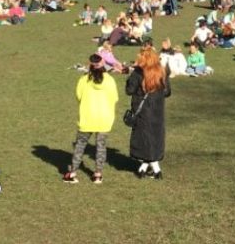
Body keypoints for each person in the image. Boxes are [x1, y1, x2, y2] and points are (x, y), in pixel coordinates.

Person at [63, 54, 119, 184]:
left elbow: (78, 96)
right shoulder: (109, 80)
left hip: (87, 118)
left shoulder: (84, 80)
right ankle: (98, 174)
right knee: (101, 147)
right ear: (103, 64)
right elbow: (115, 98)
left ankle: (72, 173)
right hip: (104, 119)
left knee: (80, 146)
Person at [126, 46, 171, 179]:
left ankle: (149, 170)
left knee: (143, 139)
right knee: (154, 139)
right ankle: (152, 170)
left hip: (142, 112)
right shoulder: (162, 71)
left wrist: (131, 74)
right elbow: (167, 92)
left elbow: (129, 90)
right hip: (157, 111)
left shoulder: (138, 73)